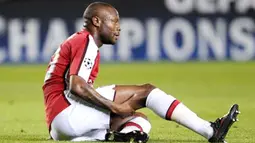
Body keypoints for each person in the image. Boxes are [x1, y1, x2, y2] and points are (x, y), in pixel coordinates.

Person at [42, 2, 240, 143]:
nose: (118, 28)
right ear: (96, 21)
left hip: (60, 124)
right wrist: (114, 107)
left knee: (138, 122)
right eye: (114, 21)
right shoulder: (86, 42)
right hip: (68, 112)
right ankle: (210, 130)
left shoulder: (78, 40)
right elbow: (77, 86)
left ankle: (107, 138)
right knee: (146, 92)